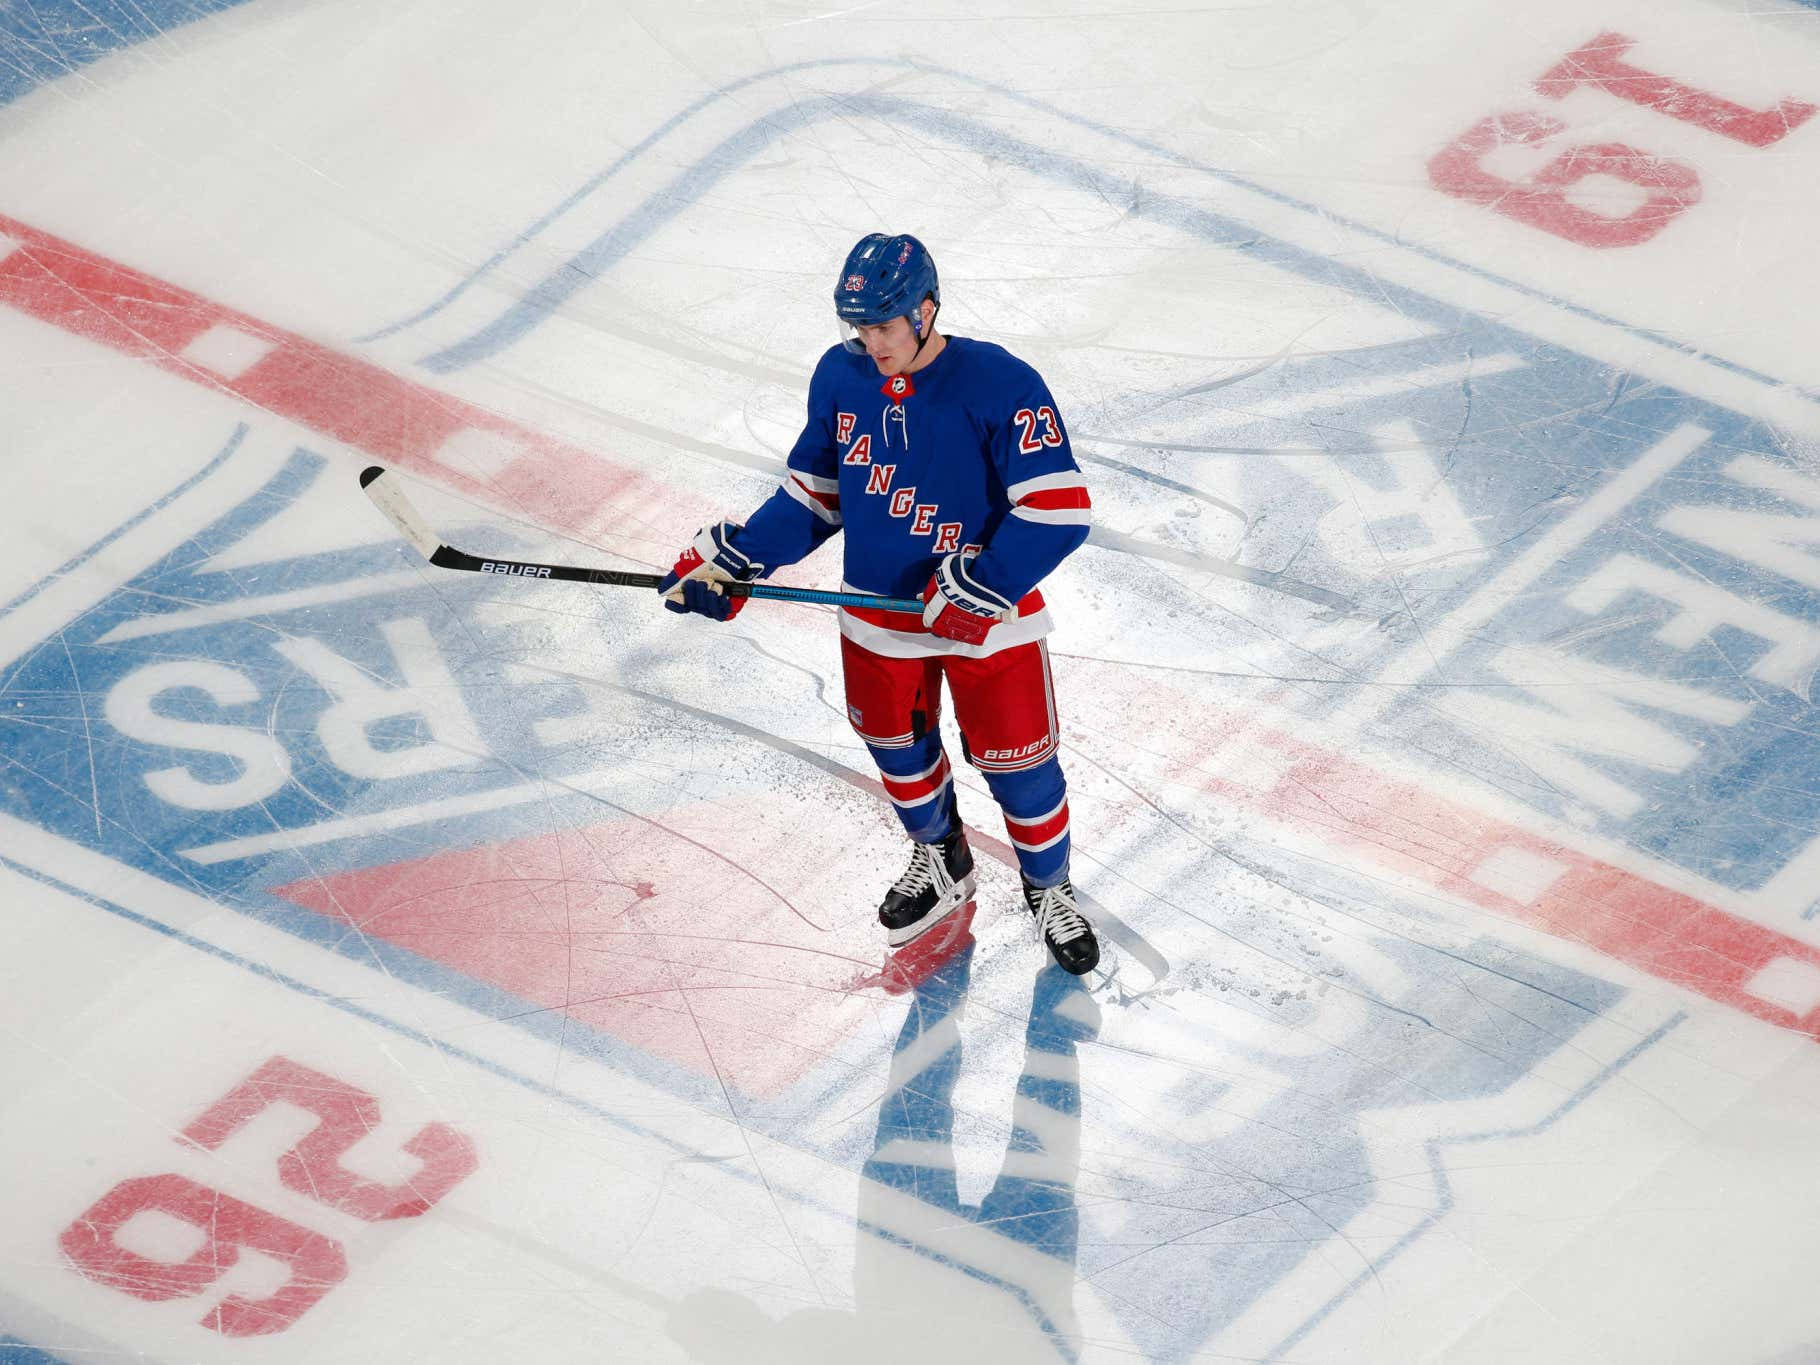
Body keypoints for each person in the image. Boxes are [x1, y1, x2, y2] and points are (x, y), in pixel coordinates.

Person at [658, 232, 1098, 975]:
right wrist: (741, 558)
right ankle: (941, 858)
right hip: (877, 619)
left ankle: (1049, 886)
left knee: (1019, 765)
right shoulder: (842, 375)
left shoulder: (1001, 382)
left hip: (987, 623)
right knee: (899, 752)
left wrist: (988, 581)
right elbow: (816, 493)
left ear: (926, 311)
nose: (870, 342)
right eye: (857, 327)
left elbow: (1059, 509)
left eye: (884, 326)